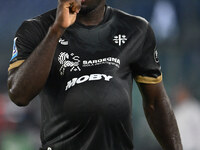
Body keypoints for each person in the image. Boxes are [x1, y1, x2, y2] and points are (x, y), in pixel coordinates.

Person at [7, 0, 183, 149]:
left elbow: (155, 103)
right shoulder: (35, 29)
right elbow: (19, 95)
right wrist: (56, 31)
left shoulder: (136, 30)